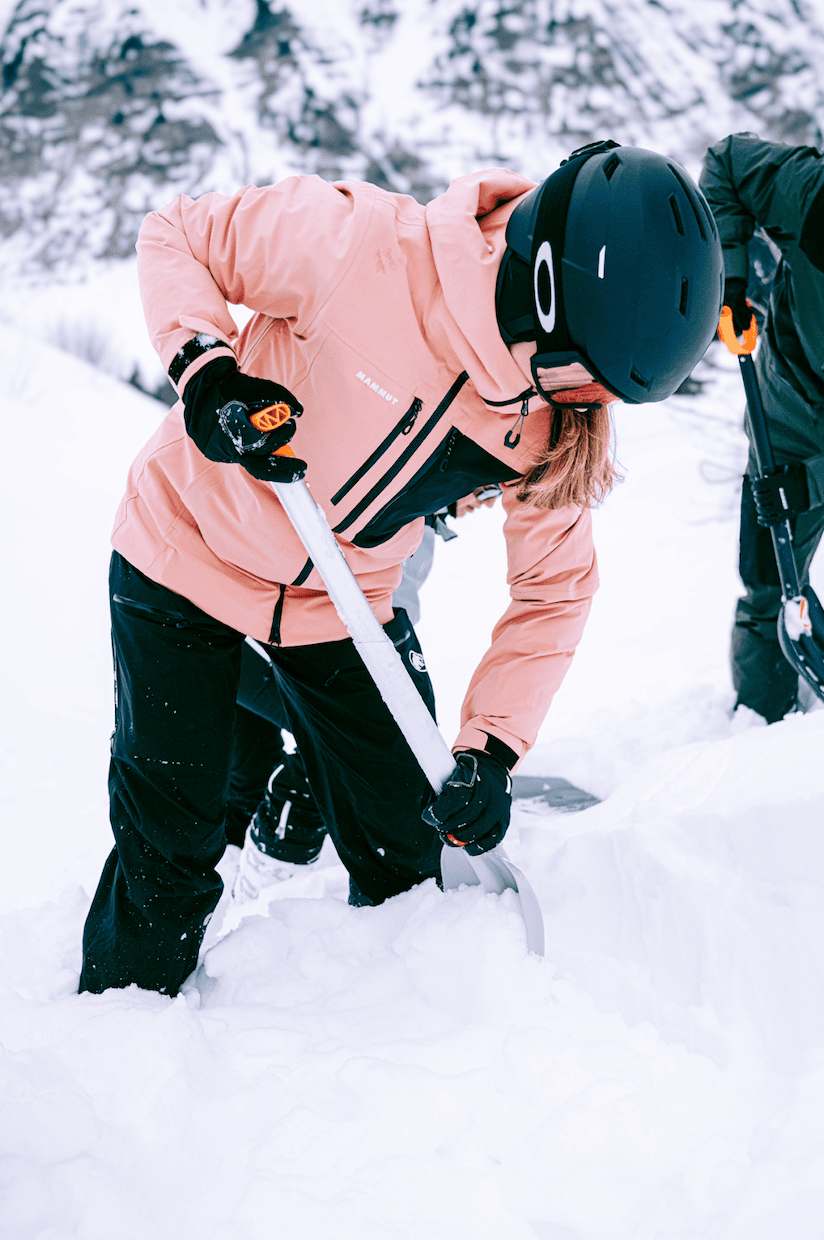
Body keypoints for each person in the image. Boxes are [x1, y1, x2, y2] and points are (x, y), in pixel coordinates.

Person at [80, 139, 722, 996]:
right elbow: (179, 235)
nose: (586, 403)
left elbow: (553, 588)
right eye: (586, 378)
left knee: (408, 843)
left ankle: (399, 1042)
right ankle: (122, 1030)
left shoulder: (547, 421)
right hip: (182, 558)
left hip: (336, 607)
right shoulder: (361, 246)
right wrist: (209, 374)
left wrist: (490, 749)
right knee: (174, 847)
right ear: (540, 292)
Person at [230, 487, 503, 904]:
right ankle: (266, 879)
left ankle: (252, 863)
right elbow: (380, 618)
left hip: (256, 631)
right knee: (335, 741)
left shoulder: (418, 514)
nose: (489, 501)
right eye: (487, 488)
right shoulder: (403, 505)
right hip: (261, 634)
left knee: (299, 748)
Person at [701, 134, 824, 723]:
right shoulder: (812, 195)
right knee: (769, 575)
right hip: (792, 399)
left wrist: (813, 484)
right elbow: (726, 164)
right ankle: (759, 724)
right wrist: (730, 280)